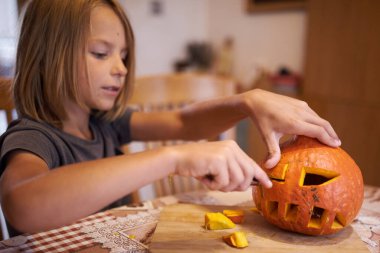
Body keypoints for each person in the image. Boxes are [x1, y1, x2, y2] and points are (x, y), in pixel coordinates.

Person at [0, 0, 341, 236]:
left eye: (124, 56)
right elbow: (23, 205)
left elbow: (184, 124)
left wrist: (247, 102)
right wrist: (172, 158)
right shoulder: (31, 137)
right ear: (47, 57)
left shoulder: (104, 122)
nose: (121, 69)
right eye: (101, 53)